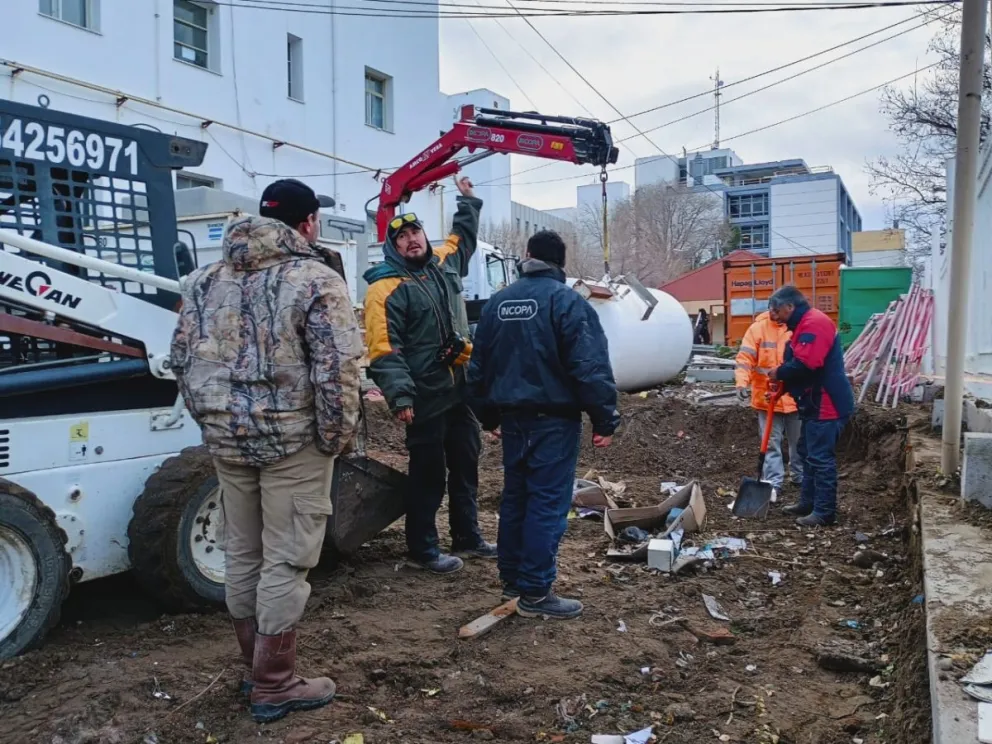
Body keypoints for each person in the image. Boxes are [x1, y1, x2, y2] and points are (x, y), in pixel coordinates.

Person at [170, 178, 362, 723]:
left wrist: (212, 423)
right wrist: (336, 438)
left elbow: (181, 358)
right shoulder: (316, 279)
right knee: (287, 558)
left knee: (243, 552)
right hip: (293, 443)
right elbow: (337, 368)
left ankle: (254, 669)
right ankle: (275, 684)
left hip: (228, 442)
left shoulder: (202, 281)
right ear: (308, 223)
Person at [467, 230, 620, 620]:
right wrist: (604, 419)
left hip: (513, 421)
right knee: (547, 504)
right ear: (560, 263)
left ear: (527, 255)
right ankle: (536, 591)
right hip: (554, 421)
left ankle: (513, 580)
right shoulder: (567, 302)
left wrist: (488, 416)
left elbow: (478, 368)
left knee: (516, 499)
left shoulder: (498, 303)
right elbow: (589, 367)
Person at [363, 175, 496, 575]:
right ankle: (423, 549)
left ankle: (467, 536)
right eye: (402, 237)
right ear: (393, 246)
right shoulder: (384, 288)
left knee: (466, 465)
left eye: (415, 232)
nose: (411, 240)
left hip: (459, 389)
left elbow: (463, 238)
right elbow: (383, 349)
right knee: (428, 474)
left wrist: (468, 200)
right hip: (423, 396)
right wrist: (400, 395)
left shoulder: (442, 263)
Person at [766, 285, 855, 527]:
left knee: (820, 458)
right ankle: (807, 503)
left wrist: (779, 373)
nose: (773, 315)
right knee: (807, 453)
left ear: (790, 306)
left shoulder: (814, 324)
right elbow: (801, 367)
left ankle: (824, 512)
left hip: (827, 403)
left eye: (776, 310)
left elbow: (807, 364)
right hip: (814, 403)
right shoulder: (801, 325)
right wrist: (783, 388)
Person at [734, 311, 803, 492]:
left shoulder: (797, 327)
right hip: (767, 398)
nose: (775, 313)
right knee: (771, 443)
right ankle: (773, 483)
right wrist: (741, 383)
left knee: (799, 441)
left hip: (794, 397)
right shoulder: (757, 329)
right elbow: (745, 359)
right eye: (772, 309)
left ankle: (800, 476)